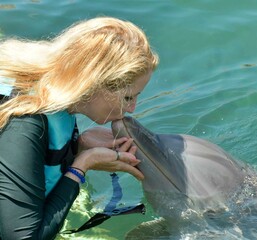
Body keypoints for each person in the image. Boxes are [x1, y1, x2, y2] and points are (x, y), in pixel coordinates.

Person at [0, 17, 158, 239]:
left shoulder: (55, 85)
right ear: (92, 85)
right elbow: (23, 238)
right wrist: (82, 165)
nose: (132, 108)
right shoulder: (23, 123)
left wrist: (78, 147)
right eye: (127, 97)